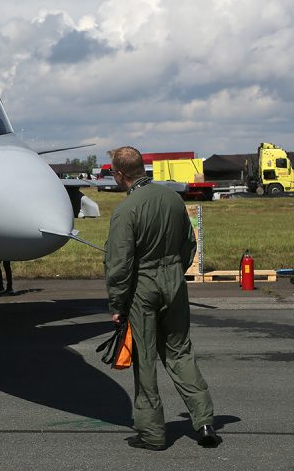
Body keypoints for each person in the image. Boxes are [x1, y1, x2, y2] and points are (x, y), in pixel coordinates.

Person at [104, 146, 220, 451]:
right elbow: (189, 245)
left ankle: (152, 433)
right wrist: (173, 272)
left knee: (145, 359)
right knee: (180, 352)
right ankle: (205, 421)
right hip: (174, 281)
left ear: (120, 174)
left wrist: (117, 304)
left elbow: (119, 265)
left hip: (144, 287)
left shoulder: (125, 211)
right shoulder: (173, 199)